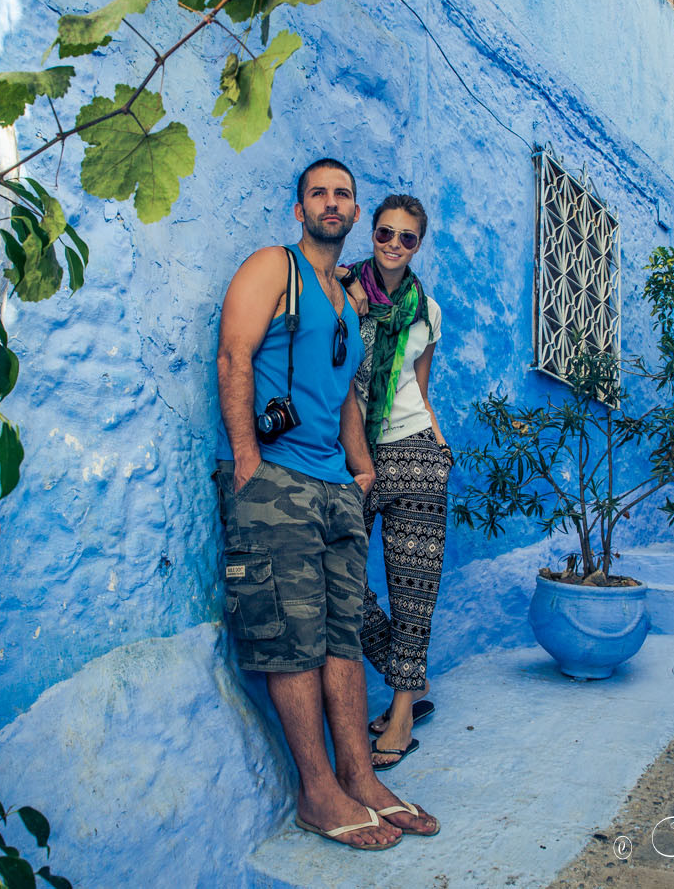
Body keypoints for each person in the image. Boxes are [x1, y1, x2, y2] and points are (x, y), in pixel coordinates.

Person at [215, 160, 440, 849]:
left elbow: (347, 393)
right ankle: (317, 793)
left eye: (343, 193)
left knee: (342, 636)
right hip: (277, 482)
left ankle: (359, 775)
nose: (332, 203)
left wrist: (362, 469)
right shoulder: (272, 267)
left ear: (355, 210)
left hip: (336, 487)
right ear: (299, 208)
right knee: (292, 639)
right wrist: (249, 460)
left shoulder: (345, 299)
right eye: (320, 192)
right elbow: (234, 356)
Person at [338, 195, 452, 772]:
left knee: (415, 593)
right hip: (354, 455)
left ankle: (402, 710)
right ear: (372, 231)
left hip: (415, 452)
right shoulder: (340, 289)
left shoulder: (427, 311)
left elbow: (419, 387)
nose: (393, 245)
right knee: (339, 579)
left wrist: (439, 441)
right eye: (386, 233)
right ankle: (408, 676)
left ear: (418, 245)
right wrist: (349, 301)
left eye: (407, 238)